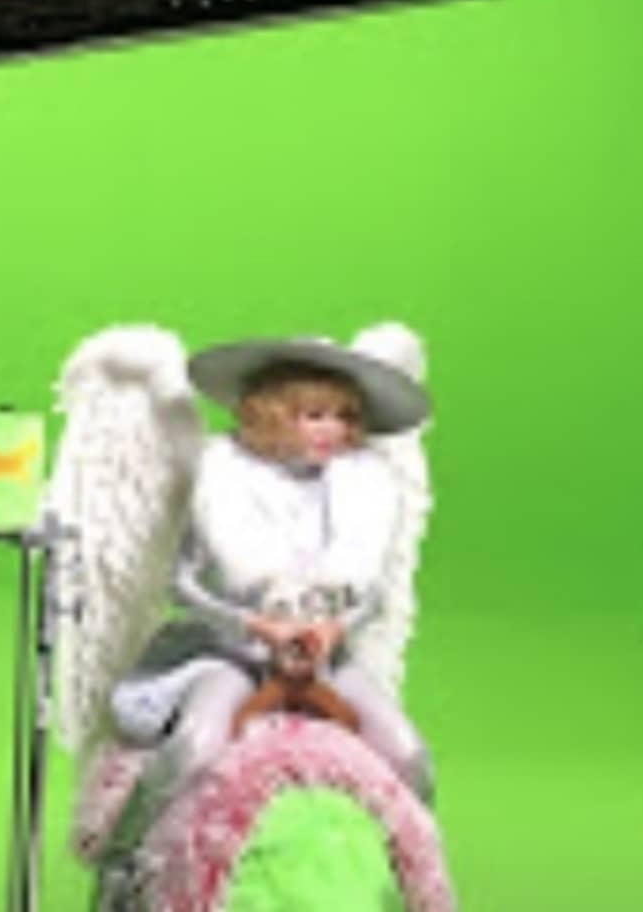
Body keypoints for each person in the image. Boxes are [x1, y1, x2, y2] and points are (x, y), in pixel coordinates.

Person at [108, 339, 435, 805]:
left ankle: (412, 869)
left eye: (345, 417)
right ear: (275, 415)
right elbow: (180, 584)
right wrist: (256, 626)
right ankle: (125, 858)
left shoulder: (364, 486)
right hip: (231, 650)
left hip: (323, 654)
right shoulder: (222, 477)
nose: (332, 430)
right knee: (194, 748)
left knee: (409, 755)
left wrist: (334, 628)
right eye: (315, 415)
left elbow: (374, 592)